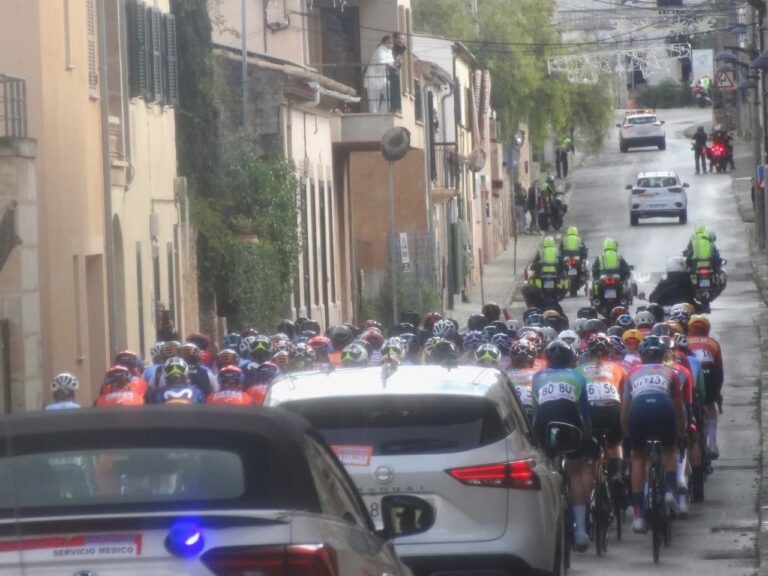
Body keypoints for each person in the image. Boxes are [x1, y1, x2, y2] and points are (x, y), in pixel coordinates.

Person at [532, 340, 592, 552]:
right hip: (572, 424)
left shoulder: (537, 377)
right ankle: (581, 532)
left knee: (543, 469)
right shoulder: (578, 377)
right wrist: (588, 438)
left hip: (543, 424)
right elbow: (584, 413)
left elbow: (536, 410)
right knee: (576, 473)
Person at [621, 335, 685, 533]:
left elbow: (624, 412)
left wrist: (625, 436)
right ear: (664, 355)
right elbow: (678, 409)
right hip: (663, 408)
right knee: (669, 450)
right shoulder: (671, 372)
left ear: (641, 356)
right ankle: (670, 491)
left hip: (639, 411)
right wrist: (681, 433)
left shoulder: (631, 373)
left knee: (639, 458)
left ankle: (639, 516)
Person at [576, 334, 627, 497]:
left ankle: (588, 496)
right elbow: (625, 396)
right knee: (615, 443)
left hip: (590, 411)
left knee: (589, 457)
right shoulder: (618, 368)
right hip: (612, 408)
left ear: (589, 351)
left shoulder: (578, 370)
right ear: (609, 351)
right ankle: (616, 474)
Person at [687, 315, 724, 460]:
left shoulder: (685, 341)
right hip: (709, 374)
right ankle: (713, 443)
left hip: (692, 374)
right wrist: (716, 393)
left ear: (690, 329)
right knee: (710, 407)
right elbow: (719, 370)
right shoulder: (713, 343)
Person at [364, 36, 397, 113]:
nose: (390, 45)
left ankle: (383, 112)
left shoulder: (389, 52)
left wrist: (396, 64)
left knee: (389, 94)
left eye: (392, 43)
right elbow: (381, 63)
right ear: (384, 43)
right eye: (388, 43)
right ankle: (374, 115)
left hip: (382, 77)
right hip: (373, 77)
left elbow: (391, 63)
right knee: (374, 99)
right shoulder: (380, 50)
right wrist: (392, 64)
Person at [389, 32, 407, 112]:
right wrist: (395, 63)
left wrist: (400, 64)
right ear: (394, 39)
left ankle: (396, 106)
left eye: (402, 39)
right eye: (399, 38)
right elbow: (388, 60)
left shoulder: (401, 48)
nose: (400, 41)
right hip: (386, 71)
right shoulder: (390, 47)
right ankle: (394, 106)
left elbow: (398, 63)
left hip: (394, 70)